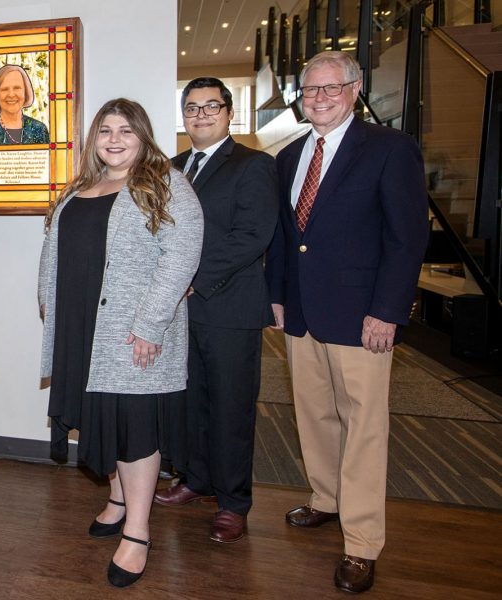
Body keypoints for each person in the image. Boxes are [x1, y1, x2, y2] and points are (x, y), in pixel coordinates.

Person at [265, 51, 428, 593]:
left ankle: (361, 543)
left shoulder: (390, 150)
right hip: (304, 313)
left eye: (330, 89)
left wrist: (387, 310)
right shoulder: (289, 157)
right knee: (314, 415)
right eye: (310, 91)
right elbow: (289, 240)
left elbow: (407, 240)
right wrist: (280, 296)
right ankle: (326, 500)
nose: (319, 99)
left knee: (364, 429)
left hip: (363, 316)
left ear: (355, 90)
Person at [38, 98, 203, 587]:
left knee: (133, 427)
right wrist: (47, 300)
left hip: (129, 329)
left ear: (143, 137)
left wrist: (152, 326)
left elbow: (181, 258)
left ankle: (137, 529)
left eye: (125, 131)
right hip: (79, 327)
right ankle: (116, 498)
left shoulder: (166, 183)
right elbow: (54, 247)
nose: (114, 139)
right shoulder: (80, 186)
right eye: (105, 130)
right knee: (100, 420)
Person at [154, 78, 279, 543]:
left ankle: (233, 502)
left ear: (229, 113)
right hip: (180, 311)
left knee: (230, 407)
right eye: (192, 107)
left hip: (228, 306)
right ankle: (196, 480)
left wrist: (192, 278)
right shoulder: (171, 167)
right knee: (189, 402)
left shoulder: (253, 165)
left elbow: (252, 235)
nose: (201, 114)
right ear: (182, 116)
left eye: (212, 106)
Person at [0, 64, 50, 145]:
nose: (11, 94)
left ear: (25, 92)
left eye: (17, 88)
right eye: (5, 89)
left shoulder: (39, 129)